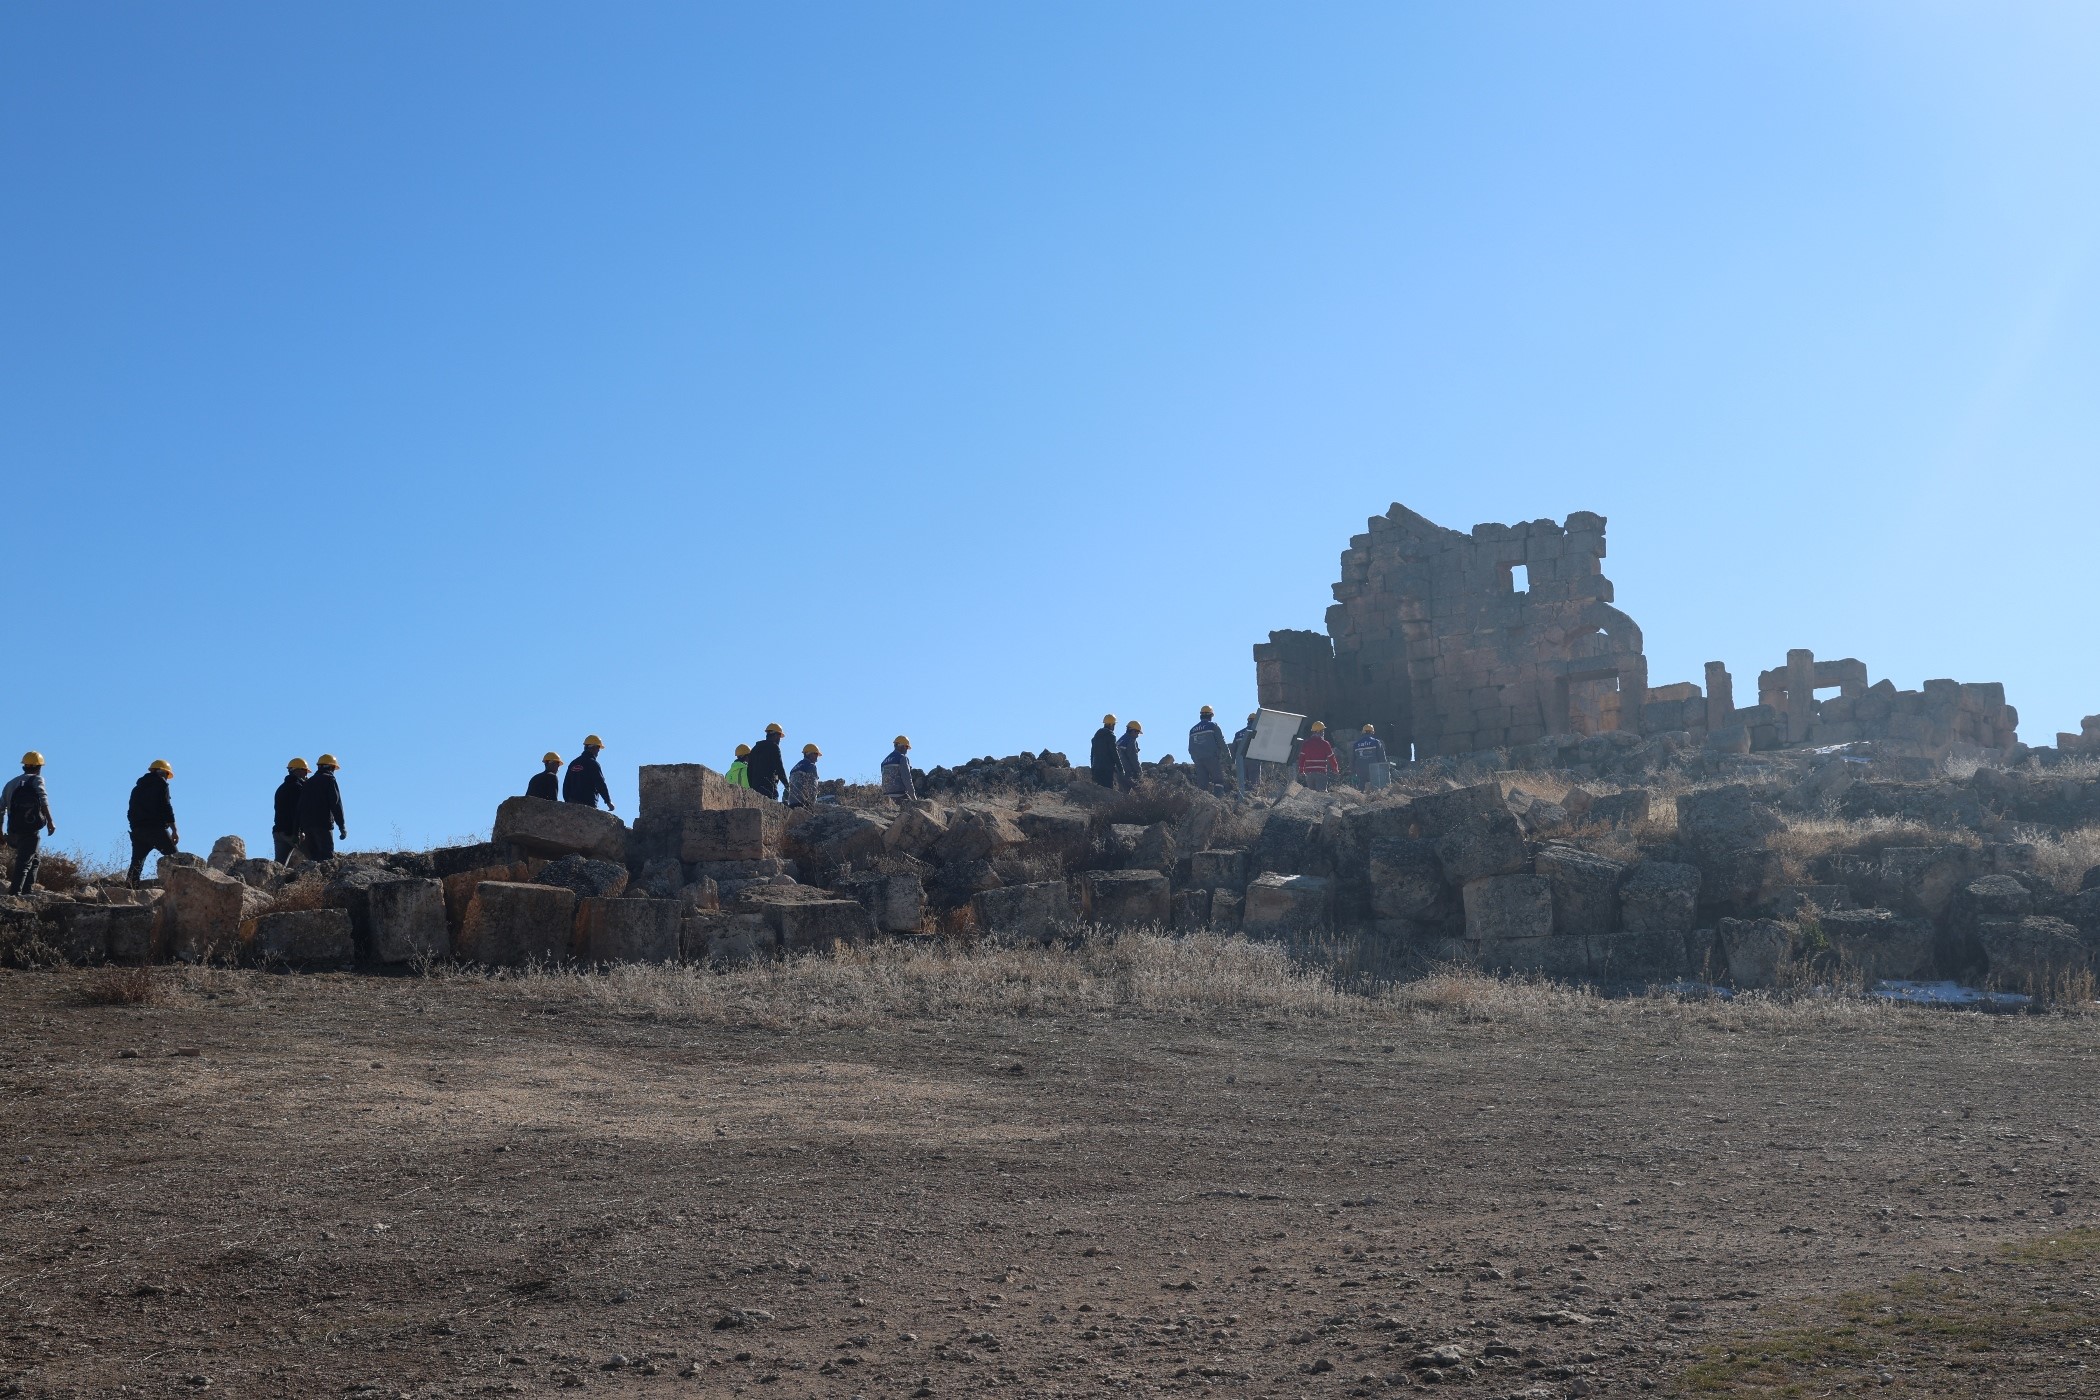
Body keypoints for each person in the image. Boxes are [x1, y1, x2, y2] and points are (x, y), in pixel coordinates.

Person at [3, 751, 55, 897]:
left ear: (24, 766)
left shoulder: (10, 784)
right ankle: (15, 894)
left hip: (13, 829)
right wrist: (50, 821)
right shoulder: (37, 779)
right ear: (39, 767)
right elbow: (43, 800)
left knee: (35, 859)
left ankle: (27, 892)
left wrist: (0, 831)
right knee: (24, 862)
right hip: (30, 829)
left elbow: (1, 808)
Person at [125, 759, 180, 886]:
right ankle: (180, 889)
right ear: (160, 772)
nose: (166, 778)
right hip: (156, 830)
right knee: (175, 859)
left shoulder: (137, 789)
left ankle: (129, 890)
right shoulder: (161, 785)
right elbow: (166, 808)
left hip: (138, 830)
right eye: (167, 774)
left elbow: (130, 811)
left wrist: (135, 827)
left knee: (136, 864)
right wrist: (174, 830)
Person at [298, 754, 347, 861]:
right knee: (327, 858)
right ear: (331, 767)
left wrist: (299, 828)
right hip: (323, 824)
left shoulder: (308, 782)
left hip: (307, 826)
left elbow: (300, 806)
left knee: (314, 858)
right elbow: (336, 803)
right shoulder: (329, 780)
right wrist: (341, 826)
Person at [562, 734, 614, 810]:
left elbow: (566, 785)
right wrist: (608, 801)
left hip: (572, 803)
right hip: (588, 804)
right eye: (598, 749)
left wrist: (568, 801)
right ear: (594, 748)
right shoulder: (592, 763)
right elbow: (600, 783)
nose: (598, 752)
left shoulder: (573, 763)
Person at [1187, 705, 1230, 796]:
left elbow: (1190, 748)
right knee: (1218, 780)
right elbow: (1221, 742)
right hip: (1212, 758)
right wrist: (1229, 757)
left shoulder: (1192, 730)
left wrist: (1195, 759)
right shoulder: (1213, 726)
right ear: (1211, 715)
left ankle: (1202, 801)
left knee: (1202, 784)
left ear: (1201, 715)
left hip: (1198, 760)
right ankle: (1218, 800)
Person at [272, 758, 309, 862]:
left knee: (279, 865)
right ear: (299, 771)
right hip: (292, 833)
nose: (306, 775)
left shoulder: (281, 788)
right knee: (316, 857)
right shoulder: (298, 788)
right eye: (305, 771)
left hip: (278, 831)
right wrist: (298, 832)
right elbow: (297, 812)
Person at [746, 723, 789, 801]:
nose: (779, 740)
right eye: (779, 737)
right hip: (768, 788)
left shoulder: (754, 749)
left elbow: (749, 770)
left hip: (755, 788)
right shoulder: (774, 747)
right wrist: (787, 785)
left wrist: (752, 787)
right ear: (776, 735)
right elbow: (779, 768)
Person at [1297, 721, 1340, 792]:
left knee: (1311, 794)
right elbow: (1332, 758)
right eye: (1323, 731)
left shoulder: (1306, 744)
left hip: (1309, 774)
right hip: (1321, 773)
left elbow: (1301, 758)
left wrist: (1301, 771)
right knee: (1321, 795)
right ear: (1320, 731)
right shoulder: (1325, 744)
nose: (1323, 732)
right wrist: (1335, 770)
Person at [1353, 724, 1392, 791]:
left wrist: (1353, 772)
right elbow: (1382, 758)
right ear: (1372, 732)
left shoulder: (1356, 744)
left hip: (1360, 769)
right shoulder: (1376, 742)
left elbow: (1352, 759)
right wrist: (1386, 770)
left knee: (1361, 788)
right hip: (1374, 769)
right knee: (1376, 788)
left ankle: (1359, 796)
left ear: (1363, 732)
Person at [1232, 711, 1261, 796]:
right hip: (1254, 760)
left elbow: (1233, 749)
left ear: (1248, 721)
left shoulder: (1238, 734)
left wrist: (1233, 763)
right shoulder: (1258, 733)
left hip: (1241, 762)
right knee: (1254, 783)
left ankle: (1243, 798)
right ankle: (1253, 797)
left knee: (1243, 782)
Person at [881, 736, 916, 801]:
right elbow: (907, 779)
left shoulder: (884, 761)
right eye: (906, 747)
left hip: (886, 797)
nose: (907, 750)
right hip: (900, 795)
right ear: (901, 746)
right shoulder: (902, 758)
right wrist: (913, 797)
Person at [1089, 714, 1119, 788]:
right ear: (1111, 725)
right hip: (1107, 770)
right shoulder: (1111, 736)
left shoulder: (1096, 737)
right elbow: (1114, 753)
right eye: (1114, 724)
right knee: (1107, 791)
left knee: (1097, 790)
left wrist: (1092, 767)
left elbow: (1092, 754)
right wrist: (1120, 768)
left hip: (1096, 769)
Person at [787, 743, 821, 807]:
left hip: (792, 803)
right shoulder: (811, 766)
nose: (817, 757)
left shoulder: (794, 768)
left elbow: (789, 787)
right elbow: (813, 786)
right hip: (804, 803)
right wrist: (812, 804)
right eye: (815, 754)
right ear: (809, 754)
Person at [1116, 720, 1143, 792]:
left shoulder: (1120, 740)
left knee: (1122, 793)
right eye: (1137, 732)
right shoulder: (1131, 740)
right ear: (1133, 731)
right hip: (1129, 772)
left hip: (1118, 771)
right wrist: (1139, 772)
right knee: (1141, 792)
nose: (1137, 735)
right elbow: (1133, 758)